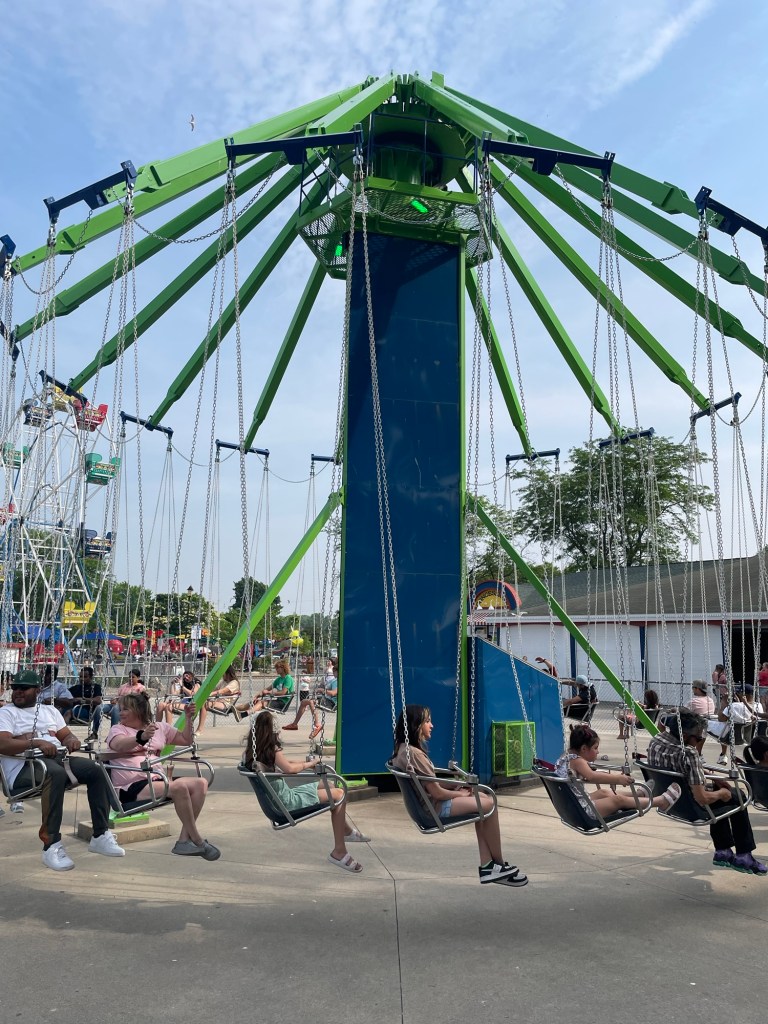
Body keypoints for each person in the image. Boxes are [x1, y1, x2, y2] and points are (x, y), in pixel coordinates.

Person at [0, 669, 125, 870]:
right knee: (54, 773)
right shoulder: (6, 713)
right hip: (24, 769)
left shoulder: (49, 711)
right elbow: (3, 744)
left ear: (37, 690)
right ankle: (51, 845)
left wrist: (71, 740)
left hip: (56, 760)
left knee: (95, 769)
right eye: (15, 688)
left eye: (24, 688)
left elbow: (65, 735)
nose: (18, 692)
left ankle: (100, 835)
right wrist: (35, 742)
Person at [392, 704, 528, 887]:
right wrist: (459, 794)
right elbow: (437, 792)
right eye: (427, 721)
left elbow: (431, 782)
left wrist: (459, 785)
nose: (432, 725)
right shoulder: (414, 754)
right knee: (489, 804)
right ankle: (499, 864)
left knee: (481, 800)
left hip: (430, 805)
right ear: (416, 726)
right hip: (435, 809)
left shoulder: (403, 749)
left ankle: (488, 865)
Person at [244, 709, 368, 872]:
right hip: (286, 803)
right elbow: (288, 768)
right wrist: (308, 764)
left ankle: (345, 831)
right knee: (339, 794)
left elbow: (285, 763)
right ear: (272, 731)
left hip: (280, 798)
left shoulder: (254, 752)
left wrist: (305, 762)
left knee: (330, 785)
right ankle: (339, 851)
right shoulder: (272, 749)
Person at [647, 708, 767, 875]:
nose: (699, 741)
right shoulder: (688, 752)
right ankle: (743, 855)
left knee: (722, 793)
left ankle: (723, 850)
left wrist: (710, 776)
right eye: (698, 737)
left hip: (670, 799)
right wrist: (721, 794)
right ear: (685, 735)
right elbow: (702, 798)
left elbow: (682, 769)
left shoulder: (657, 740)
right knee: (736, 796)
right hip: (691, 806)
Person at [106, 692, 220, 860]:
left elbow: (186, 740)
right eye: (120, 709)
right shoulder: (118, 729)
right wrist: (141, 737)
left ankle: (183, 840)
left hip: (155, 780)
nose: (120, 712)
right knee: (179, 787)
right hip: (130, 787)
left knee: (201, 783)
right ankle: (197, 840)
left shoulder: (159, 728)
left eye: (125, 709)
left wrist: (188, 718)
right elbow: (119, 744)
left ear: (138, 711)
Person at [556, 724, 681, 817]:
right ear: (583, 748)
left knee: (604, 792)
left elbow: (583, 776)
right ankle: (660, 802)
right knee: (618, 800)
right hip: (582, 810)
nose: (598, 751)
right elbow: (592, 776)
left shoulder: (565, 757)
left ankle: (640, 795)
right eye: (595, 748)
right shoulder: (578, 761)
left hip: (572, 804)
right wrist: (618, 778)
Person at [283, 673, 338, 739]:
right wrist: (320, 689)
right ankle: (294, 724)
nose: (333, 672)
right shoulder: (334, 680)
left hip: (331, 703)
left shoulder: (339, 681)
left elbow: (333, 693)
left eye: (335, 670)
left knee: (311, 702)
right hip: (327, 700)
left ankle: (317, 725)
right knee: (304, 702)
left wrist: (323, 690)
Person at [711, 687, 758, 765]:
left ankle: (699, 754)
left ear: (744, 695)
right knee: (726, 726)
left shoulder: (734, 706)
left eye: (738, 693)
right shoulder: (758, 705)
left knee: (703, 723)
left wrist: (724, 703)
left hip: (731, 737)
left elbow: (720, 718)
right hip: (748, 737)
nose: (736, 695)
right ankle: (723, 755)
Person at [197, 666, 241, 732]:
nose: (222, 675)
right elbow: (215, 689)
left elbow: (223, 691)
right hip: (218, 702)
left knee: (204, 704)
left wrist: (211, 694)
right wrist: (205, 691)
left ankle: (200, 729)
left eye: (223, 673)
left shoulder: (234, 682)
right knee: (198, 703)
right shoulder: (223, 682)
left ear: (228, 673)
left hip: (225, 705)